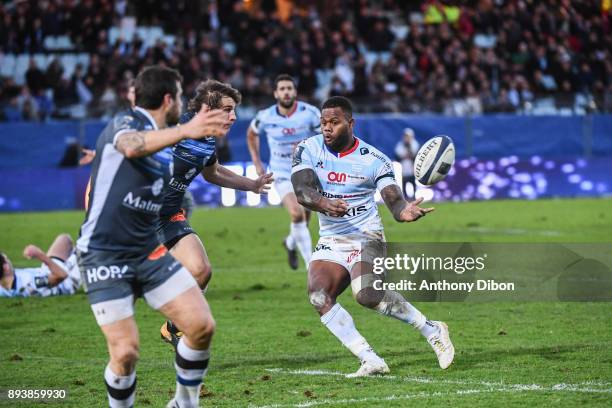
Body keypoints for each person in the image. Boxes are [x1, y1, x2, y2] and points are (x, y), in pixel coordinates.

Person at [76, 65, 229, 408]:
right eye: (179, 96)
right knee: (126, 351)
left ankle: (183, 404)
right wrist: (187, 129)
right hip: (105, 253)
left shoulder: (166, 137)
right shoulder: (127, 123)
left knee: (201, 325)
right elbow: (130, 146)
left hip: (146, 250)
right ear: (168, 99)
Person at [291, 96, 454, 377]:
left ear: (351, 123)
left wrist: (404, 212)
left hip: (367, 236)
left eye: (334, 122)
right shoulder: (306, 148)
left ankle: (432, 329)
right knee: (318, 296)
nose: (327, 128)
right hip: (332, 238)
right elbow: (302, 191)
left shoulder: (375, 160)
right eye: (323, 123)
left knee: (367, 295)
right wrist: (324, 204)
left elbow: (394, 201)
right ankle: (370, 358)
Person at [159, 79, 273, 347]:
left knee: (201, 270)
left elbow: (213, 172)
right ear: (208, 109)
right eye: (228, 109)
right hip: (138, 215)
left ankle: (174, 329)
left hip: (169, 214)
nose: (234, 116)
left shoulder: (208, 140)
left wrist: (253, 185)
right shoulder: (174, 128)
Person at [247, 74, 320, 270]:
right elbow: (251, 133)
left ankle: (289, 243)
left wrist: (307, 145)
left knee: (305, 217)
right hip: (281, 173)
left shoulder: (310, 113)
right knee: (296, 215)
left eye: (289, 88)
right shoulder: (265, 116)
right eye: (282, 89)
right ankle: (310, 266)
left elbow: (327, 137)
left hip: (307, 172)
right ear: (275, 93)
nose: (286, 92)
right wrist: (256, 162)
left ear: (295, 92)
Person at [0, 234, 80, 297]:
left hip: (46, 271)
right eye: (7, 259)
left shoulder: (2, 288)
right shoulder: (30, 282)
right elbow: (61, 275)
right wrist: (39, 254)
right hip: (65, 282)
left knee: (63, 239)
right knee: (84, 247)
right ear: (5, 267)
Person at [394, 127, 420, 196]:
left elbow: (416, 156)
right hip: (403, 169)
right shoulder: (400, 145)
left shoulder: (415, 144)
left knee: (413, 184)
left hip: (412, 169)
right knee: (404, 184)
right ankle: (405, 197)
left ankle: (414, 196)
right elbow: (398, 156)